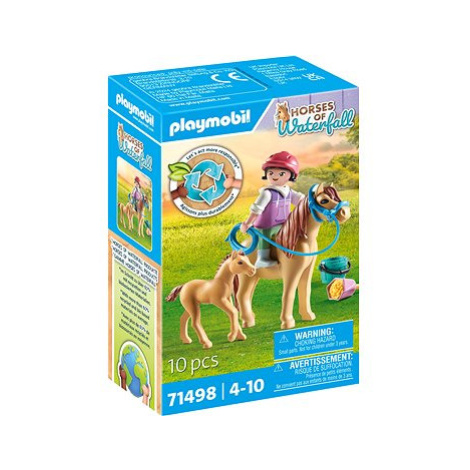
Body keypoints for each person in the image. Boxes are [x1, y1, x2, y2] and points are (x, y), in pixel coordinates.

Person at [240, 151, 304, 268]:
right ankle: (262, 258)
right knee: (265, 237)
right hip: (266, 225)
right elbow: (256, 210)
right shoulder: (267, 193)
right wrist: (247, 223)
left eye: (281, 173)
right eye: (271, 172)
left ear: (291, 175)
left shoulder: (288, 191)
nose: (275, 176)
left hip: (283, 223)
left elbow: (301, 201)